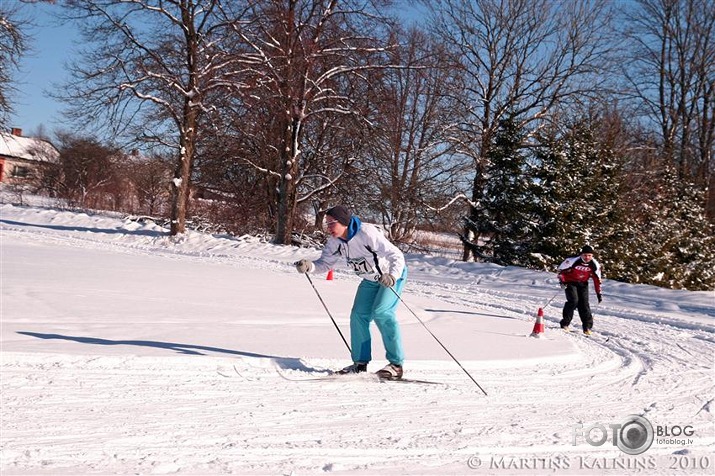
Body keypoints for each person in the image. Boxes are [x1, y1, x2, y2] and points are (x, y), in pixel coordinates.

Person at [295, 205, 407, 379]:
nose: (328, 228)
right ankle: (360, 364)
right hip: (370, 280)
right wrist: (310, 266)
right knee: (358, 315)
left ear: (344, 222)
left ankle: (396, 365)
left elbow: (396, 255)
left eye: (331, 223)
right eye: (327, 224)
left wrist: (392, 275)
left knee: (382, 312)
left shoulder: (367, 233)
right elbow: (325, 263)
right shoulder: (335, 241)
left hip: (391, 276)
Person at [557, 245, 603, 335]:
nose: (587, 257)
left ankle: (587, 327)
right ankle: (565, 324)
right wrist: (562, 281)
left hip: (583, 284)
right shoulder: (572, 261)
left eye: (589, 255)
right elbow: (560, 271)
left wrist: (599, 293)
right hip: (570, 282)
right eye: (585, 255)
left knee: (584, 304)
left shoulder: (594, 265)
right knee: (573, 301)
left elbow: (597, 280)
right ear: (581, 255)